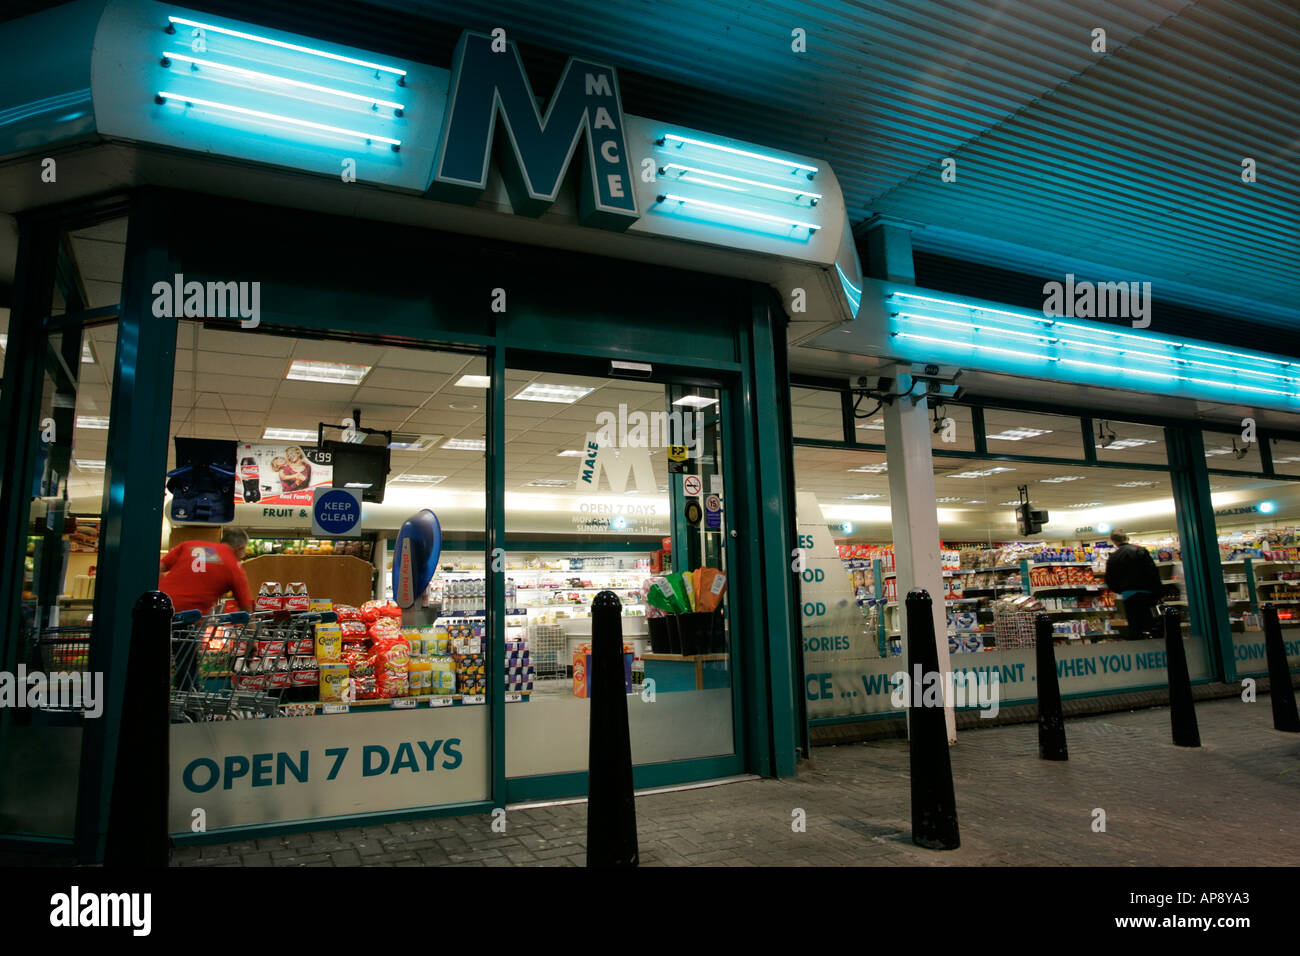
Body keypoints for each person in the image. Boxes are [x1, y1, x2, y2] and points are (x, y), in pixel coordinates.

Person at [159, 527, 253, 615]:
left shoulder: (189, 545)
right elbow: (246, 609)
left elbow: (157, 568)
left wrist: (161, 587)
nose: (242, 557)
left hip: (158, 604)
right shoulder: (234, 567)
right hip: (186, 617)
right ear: (239, 548)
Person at [1103, 529, 1164, 639]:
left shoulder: (1114, 557)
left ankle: (1138, 646)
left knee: (1135, 625)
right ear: (1127, 538)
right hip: (1147, 593)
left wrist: (1120, 590)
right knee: (1151, 623)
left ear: (1114, 541)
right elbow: (1152, 572)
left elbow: (1110, 579)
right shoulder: (1140, 551)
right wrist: (1158, 592)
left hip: (1128, 595)